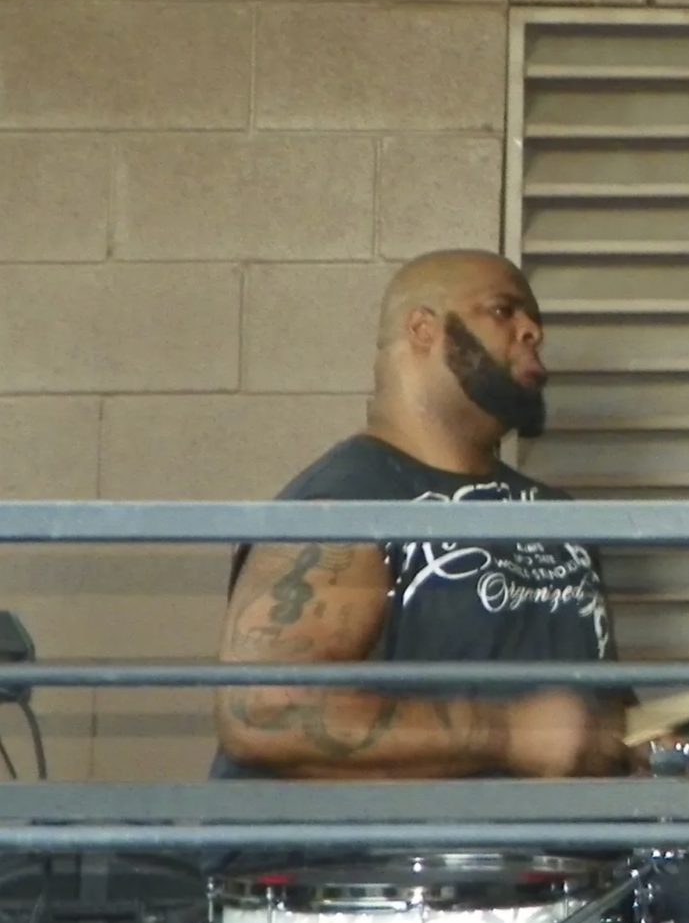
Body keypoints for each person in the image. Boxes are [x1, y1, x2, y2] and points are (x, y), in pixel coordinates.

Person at [215, 248, 630, 778]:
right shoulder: (346, 504)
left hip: (539, 833)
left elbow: (590, 713)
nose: (532, 331)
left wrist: (634, 744)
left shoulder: (557, 517)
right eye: (503, 310)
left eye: (533, 319)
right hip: (379, 837)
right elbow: (262, 712)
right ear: (422, 330)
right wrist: (509, 733)